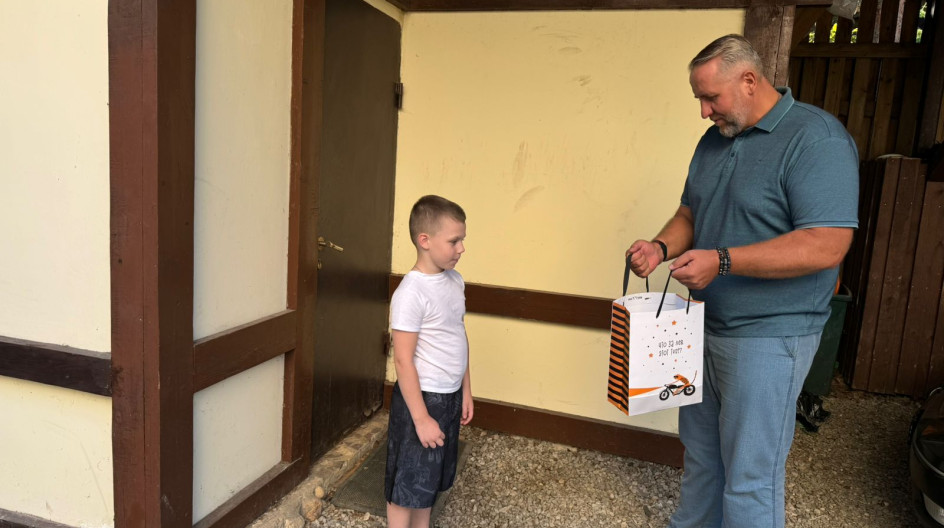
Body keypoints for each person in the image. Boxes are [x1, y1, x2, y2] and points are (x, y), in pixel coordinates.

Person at [625, 34, 858, 528]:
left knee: (751, 476)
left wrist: (723, 262)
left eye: (711, 98)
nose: (703, 112)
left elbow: (826, 244)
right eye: (699, 99)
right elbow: (691, 213)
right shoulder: (714, 140)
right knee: (701, 457)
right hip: (701, 327)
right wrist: (661, 247)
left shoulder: (817, 139)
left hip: (770, 337)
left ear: (749, 80)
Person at [385, 195, 474, 528]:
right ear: (425, 240)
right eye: (454, 241)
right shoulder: (410, 293)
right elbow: (403, 360)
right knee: (406, 482)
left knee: (430, 479)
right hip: (421, 399)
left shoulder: (454, 280)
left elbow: (458, 337)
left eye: (462, 240)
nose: (461, 248)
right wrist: (421, 418)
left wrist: (466, 390)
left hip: (450, 396)